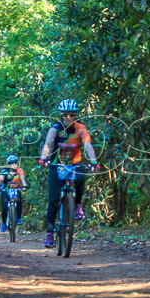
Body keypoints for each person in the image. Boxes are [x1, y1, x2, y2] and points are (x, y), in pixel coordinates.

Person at [38, 99, 99, 248]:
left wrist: (93, 161)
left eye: (71, 115)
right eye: (65, 115)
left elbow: (87, 145)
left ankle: (77, 204)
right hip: (56, 164)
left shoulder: (81, 128)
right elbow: (48, 144)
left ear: (76, 115)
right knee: (53, 200)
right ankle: (50, 233)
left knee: (79, 178)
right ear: (61, 115)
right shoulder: (55, 129)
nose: (68, 118)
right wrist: (44, 158)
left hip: (74, 163)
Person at [0, 155, 28, 232]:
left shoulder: (19, 170)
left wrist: (24, 185)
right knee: (4, 206)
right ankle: (4, 223)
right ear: (9, 164)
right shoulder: (4, 171)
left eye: (15, 162)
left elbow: (22, 179)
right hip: (5, 189)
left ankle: (18, 218)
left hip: (16, 189)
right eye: (12, 163)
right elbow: (0, 180)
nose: (14, 164)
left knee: (19, 201)